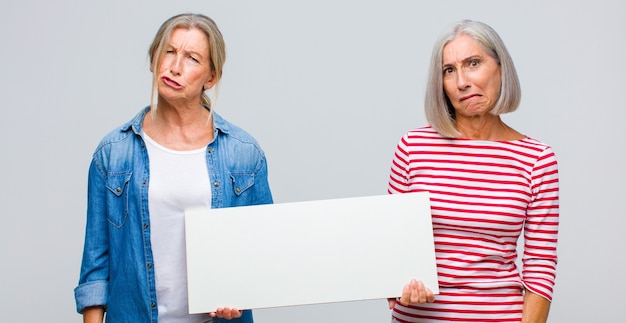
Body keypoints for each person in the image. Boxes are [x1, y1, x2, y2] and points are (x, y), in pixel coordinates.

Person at [74, 13, 273, 323]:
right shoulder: (113, 153)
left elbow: (263, 251)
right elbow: (96, 268)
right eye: (169, 51)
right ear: (153, 59)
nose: (175, 66)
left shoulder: (244, 154)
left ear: (211, 77)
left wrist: (241, 295)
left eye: (192, 58)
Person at [387, 20, 559, 322]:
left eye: (473, 63)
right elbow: (387, 247)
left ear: (500, 67)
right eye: (449, 70)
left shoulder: (536, 159)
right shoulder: (412, 147)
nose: (462, 81)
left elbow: (540, 267)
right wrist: (395, 284)